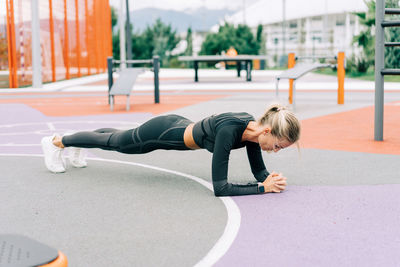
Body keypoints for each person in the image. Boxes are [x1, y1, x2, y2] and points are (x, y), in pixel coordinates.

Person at [41, 104, 300, 197]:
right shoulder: (230, 130)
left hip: (178, 125)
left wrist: (268, 180)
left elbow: (259, 172)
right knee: (117, 143)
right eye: (278, 146)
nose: (275, 151)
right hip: (163, 133)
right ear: (267, 131)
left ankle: (76, 144)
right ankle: (57, 142)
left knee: (117, 139)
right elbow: (220, 188)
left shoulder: (253, 132)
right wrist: (262, 189)